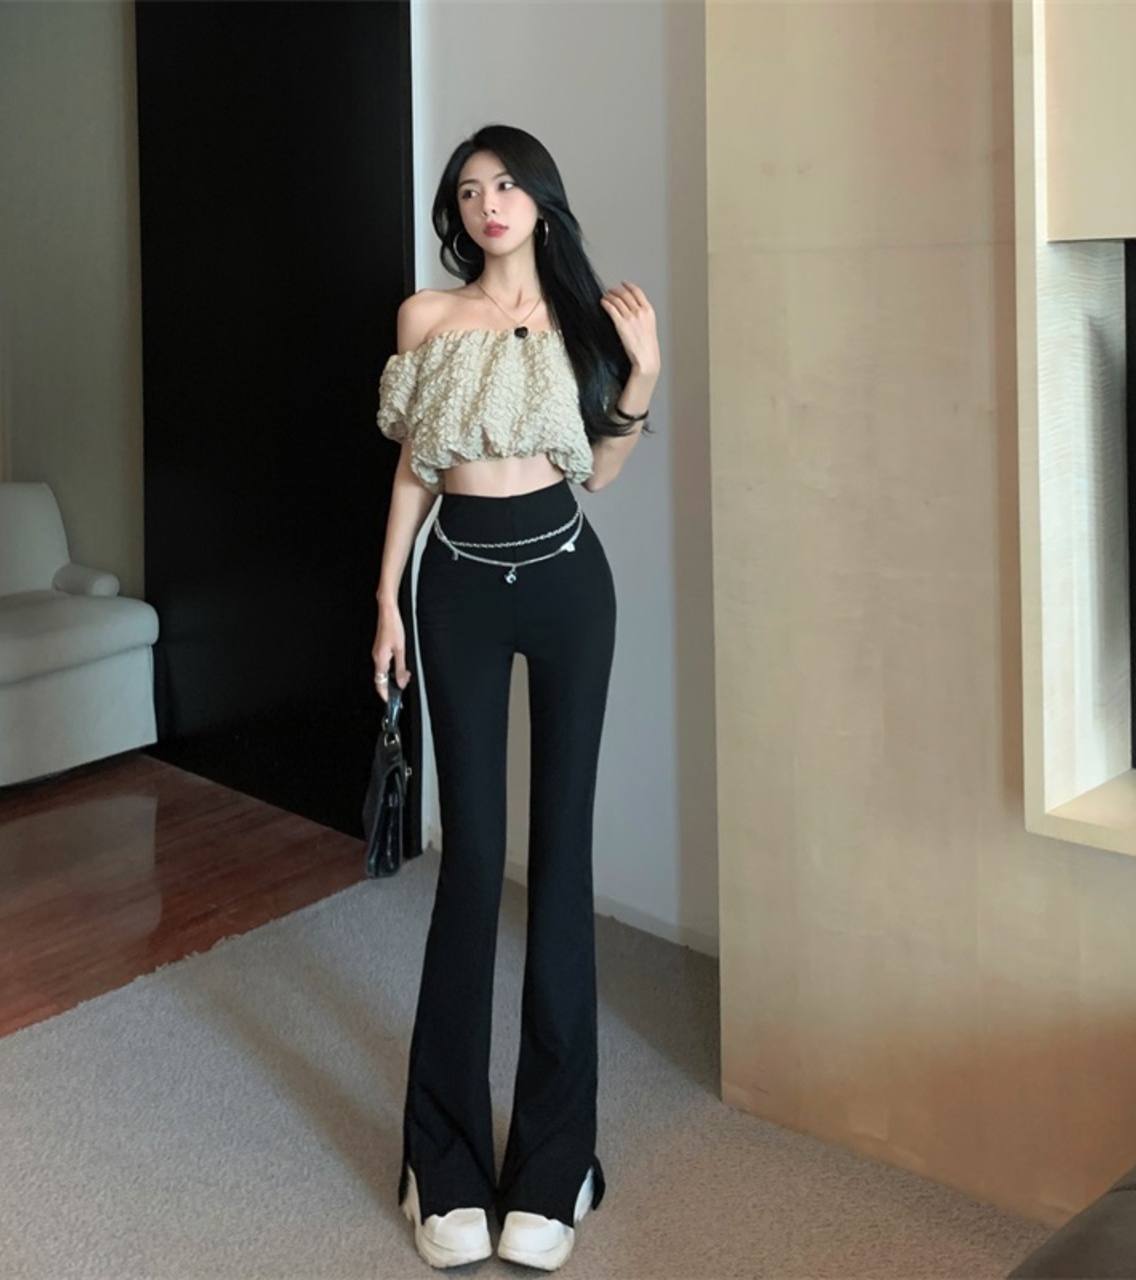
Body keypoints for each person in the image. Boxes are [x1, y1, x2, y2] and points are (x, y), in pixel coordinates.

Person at [370, 123, 659, 1272]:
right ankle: (437, 1158)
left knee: (562, 859)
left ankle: (556, 1161)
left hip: (566, 582)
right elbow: (415, 464)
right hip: (455, 585)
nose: (486, 203)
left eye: (504, 184)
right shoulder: (425, 317)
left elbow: (600, 469)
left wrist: (641, 374)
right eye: (467, 190)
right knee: (475, 859)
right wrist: (385, 597)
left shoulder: (584, 319)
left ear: (539, 199)